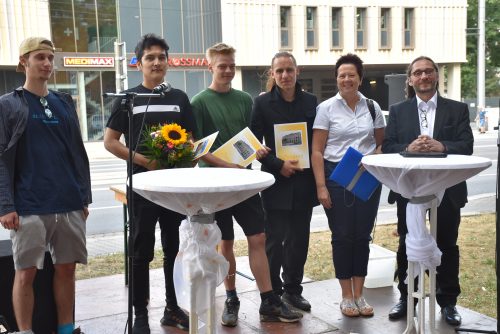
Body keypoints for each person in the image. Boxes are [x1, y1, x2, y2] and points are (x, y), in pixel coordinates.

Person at [191, 42, 302, 327]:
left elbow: (251, 138)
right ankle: (231, 298)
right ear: (210, 67)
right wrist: (226, 165)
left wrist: (260, 151)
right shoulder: (199, 102)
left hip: (244, 181)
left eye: (230, 65)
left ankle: (268, 300)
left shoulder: (245, 99)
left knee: (259, 239)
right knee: (225, 243)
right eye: (221, 66)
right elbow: (197, 147)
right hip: (215, 186)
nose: (227, 70)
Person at [0, 37, 91, 334]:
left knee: (66, 269)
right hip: (29, 204)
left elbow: (77, 152)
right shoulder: (8, 105)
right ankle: (25, 332)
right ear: (24, 61)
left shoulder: (64, 103)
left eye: (50, 58)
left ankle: (66, 329)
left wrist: (84, 198)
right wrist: (6, 206)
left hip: (68, 201)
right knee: (25, 273)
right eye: (40, 57)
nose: (47, 64)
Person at [104, 33, 193, 333]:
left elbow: (191, 140)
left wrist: (187, 155)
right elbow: (110, 142)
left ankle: (172, 307)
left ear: (168, 62)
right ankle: (140, 314)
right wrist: (144, 161)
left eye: (161, 57)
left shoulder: (179, 98)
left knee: (173, 247)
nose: (156, 62)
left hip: (174, 189)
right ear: (138, 63)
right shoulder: (128, 98)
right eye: (149, 57)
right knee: (141, 250)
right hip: (142, 187)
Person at [382, 56, 473, 326]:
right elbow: (388, 147)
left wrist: (442, 146)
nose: (423, 77)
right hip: (409, 190)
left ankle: (448, 302)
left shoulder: (457, 109)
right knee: (406, 244)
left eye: (428, 72)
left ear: (436, 76)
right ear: (410, 79)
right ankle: (407, 298)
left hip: (448, 189)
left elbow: (466, 145)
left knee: (447, 244)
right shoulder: (398, 111)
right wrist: (407, 149)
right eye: (417, 73)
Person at [311, 53, 385, 318]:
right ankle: (345, 296)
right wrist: (321, 186)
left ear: (360, 78)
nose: (346, 79)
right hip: (336, 176)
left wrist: (375, 158)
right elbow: (317, 151)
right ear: (337, 79)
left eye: (351, 75)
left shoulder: (373, 107)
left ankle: (360, 294)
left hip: (367, 176)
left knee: (362, 236)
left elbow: (380, 144)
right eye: (341, 75)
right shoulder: (326, 108)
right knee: (342, 236)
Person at [250, 52, 318, 311]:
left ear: (297, 71)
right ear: (273, 74)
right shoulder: (262, 103)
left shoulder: (312, 102)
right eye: (280, 71)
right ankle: (274, 293)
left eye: (289, 70)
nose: (285, 75)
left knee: (299, 241)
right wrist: (279, 165)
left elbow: (317, 141)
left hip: (304, 182)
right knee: (274, 242)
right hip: (276, 183)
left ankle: (293, 290)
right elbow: (255, 144)